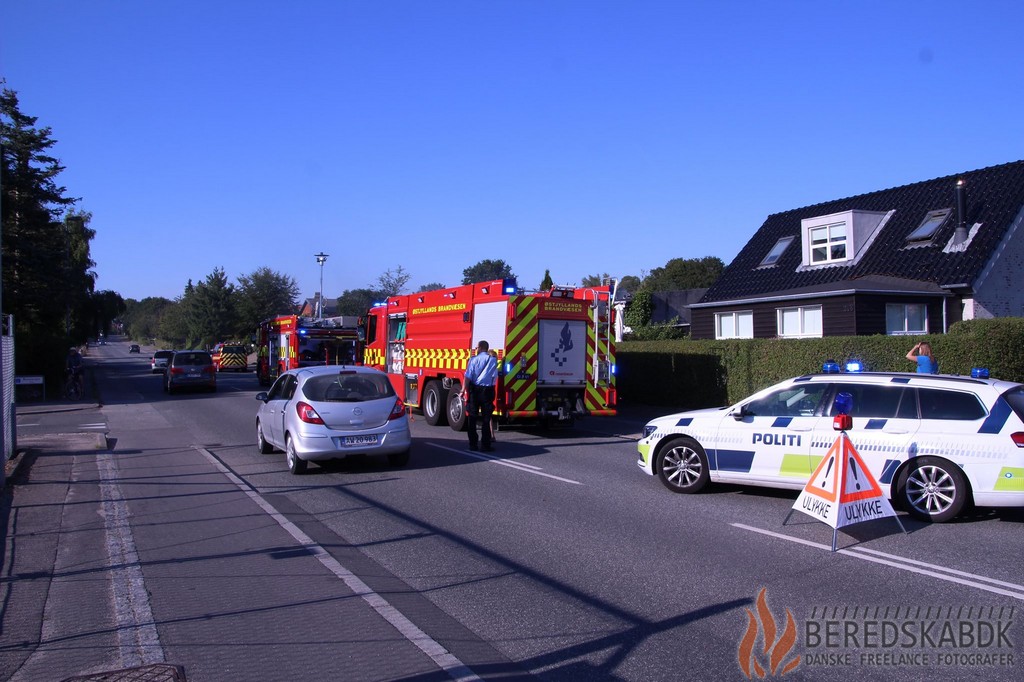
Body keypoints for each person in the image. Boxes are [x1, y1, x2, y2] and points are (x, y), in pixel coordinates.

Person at [464, 340, 498, 452]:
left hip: (475, 390)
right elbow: (494, 377)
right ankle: (485, 445)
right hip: (488, 391)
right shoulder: (493, 360)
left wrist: (465, 390)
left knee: (472, 417)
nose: (476, 349)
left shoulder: (473, 360)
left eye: (477, 347)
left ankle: (473, 444)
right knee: (486, 418)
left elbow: (468, 376)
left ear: (481, 347)